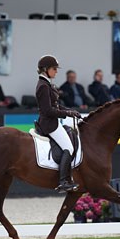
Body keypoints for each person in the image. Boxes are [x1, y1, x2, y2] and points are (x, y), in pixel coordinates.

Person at [35, 55, 80, 193]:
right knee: (69, 148)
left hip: (52, 122)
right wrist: (67, 114)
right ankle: (63, 181)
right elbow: (48, 110)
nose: (56, 71)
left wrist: (70, 110)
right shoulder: (43, 86)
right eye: (54, 69)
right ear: (45, 69)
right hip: (49, 124)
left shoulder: (47, 84)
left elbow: (57, 105)